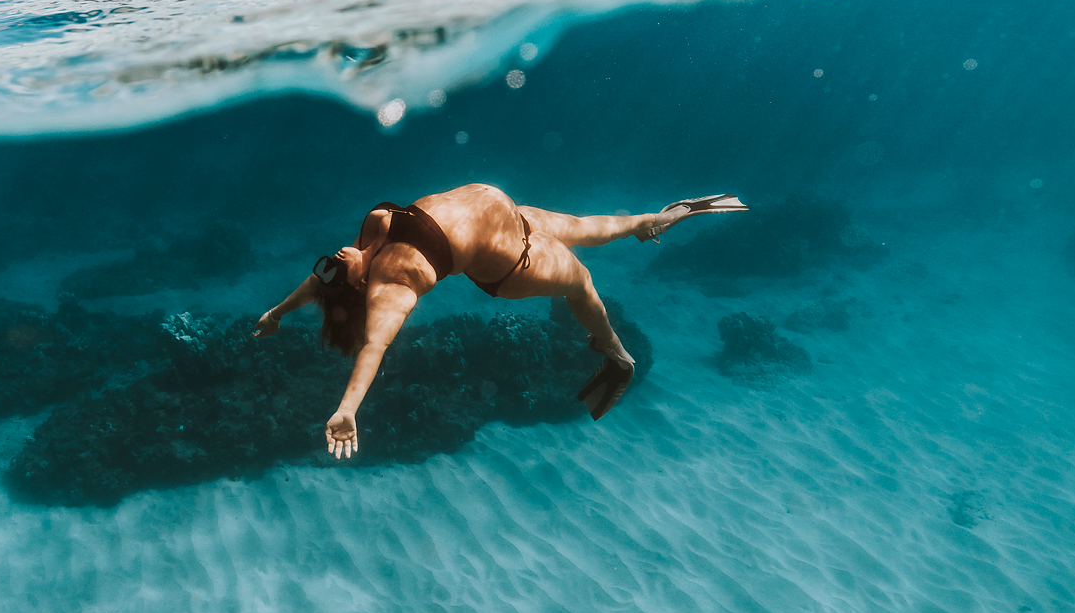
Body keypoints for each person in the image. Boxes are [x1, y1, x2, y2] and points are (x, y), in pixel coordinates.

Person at [253, 184, 746, 458]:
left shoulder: (365, 240)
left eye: (332, 264)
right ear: (359, 291)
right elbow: (373, 349)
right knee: (581, 281)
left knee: (590, 227)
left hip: (506, 213)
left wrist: (276, 313)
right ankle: (616, 353)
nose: (334, 260)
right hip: (511, 260)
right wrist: (347, 408)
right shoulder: (391, 287)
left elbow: (317, 285)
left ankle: (650, 222)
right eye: (340, 272)